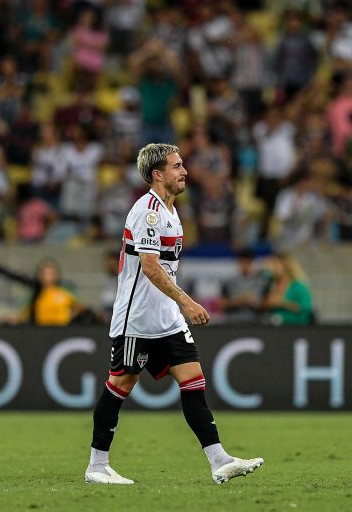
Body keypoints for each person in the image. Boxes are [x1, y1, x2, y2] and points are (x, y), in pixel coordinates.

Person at [85, 143, 263, 485]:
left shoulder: (171, 209)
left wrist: (176, 306)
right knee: (121, 383)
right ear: (158, 174)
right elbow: (150, 268)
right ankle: (97, 466)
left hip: (166, 320)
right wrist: (187, 301)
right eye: (177, 166)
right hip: (136, 319)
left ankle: (218, 460)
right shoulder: (147, 212)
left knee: (193, 380)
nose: (184, 172)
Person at [261, 252, 315, 325]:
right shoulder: (270, 285)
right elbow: (262, 305)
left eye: (275, 264)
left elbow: (306, 309)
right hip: (274, 329)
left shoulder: (298, 287)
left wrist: (282, 303)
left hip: (296, 329)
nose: (271, 268)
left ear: (285, 266)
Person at [219, 248, 269, 324]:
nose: (245, 265)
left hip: (257, 321)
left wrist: (254, 302)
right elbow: (222, 304)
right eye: (242, 262)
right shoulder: (229, 282)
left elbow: (267, 304)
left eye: (247, 262)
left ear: (252, 262)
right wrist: (238, 301)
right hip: (233, 321)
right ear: (238, 262)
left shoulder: (262, 282)